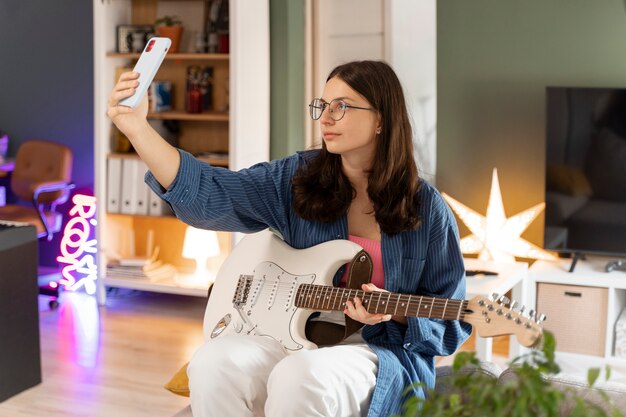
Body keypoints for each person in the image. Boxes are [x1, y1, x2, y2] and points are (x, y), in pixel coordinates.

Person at [107, 60, 471, 417]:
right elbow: (212, 192)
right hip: (291, 337)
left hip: (379, 351)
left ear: (381, 119)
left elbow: (452, 325)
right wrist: (137, 129)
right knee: (211, 362)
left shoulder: (426, 209)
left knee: (302, 376)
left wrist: (397, 313)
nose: (325, 118)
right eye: (322, 106)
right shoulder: (297, 178)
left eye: (341, 106)